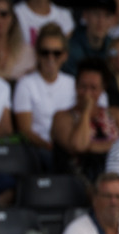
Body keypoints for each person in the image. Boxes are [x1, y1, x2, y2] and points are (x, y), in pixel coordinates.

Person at [51, 58, 119, 182]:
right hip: (78, 182)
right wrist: (86, 112)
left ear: (102, 88)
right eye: (83, 87)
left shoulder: (116, 114)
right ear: (76, 86)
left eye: (93, 88)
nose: (87, 93)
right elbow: (78, 146)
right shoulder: (62, 117)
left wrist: (91, 147)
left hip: (116, 177)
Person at [13, 22, 77, 171]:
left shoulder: (73, 83)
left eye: (56, 53)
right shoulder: (25, 84)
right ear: (37, 54)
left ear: (65, 56)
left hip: (71, 148)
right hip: (40, 150)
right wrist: (50, 147)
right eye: (45, 52)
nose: (50, 57)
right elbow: (25, 130)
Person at [62, 0, 116, 76]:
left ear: (113, 20)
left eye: (107, 16)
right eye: (96, 14)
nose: (101, 22)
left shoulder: (114, 47)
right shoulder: (71, 48)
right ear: (85, 15)